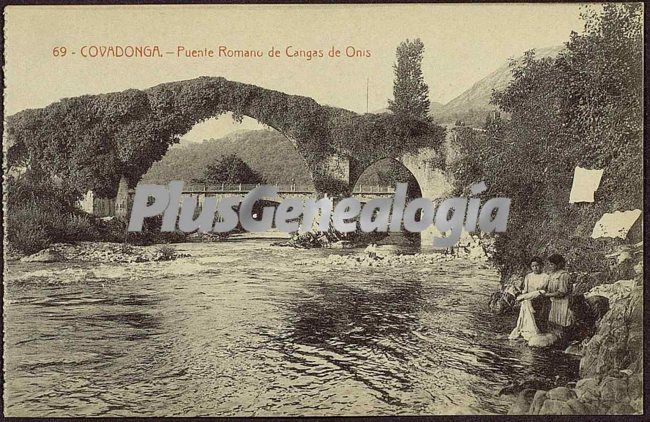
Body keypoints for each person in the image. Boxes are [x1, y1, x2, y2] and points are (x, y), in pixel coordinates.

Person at [508, 257, 549, 341]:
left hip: (539, 297)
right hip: (529, 298)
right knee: (525, 298)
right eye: (533, 266)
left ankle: (520, 298)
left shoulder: (546, 276)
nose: (535, 268)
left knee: (539, 292)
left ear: (541, 266)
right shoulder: (528, 276)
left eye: (537, 266)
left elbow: (543, 289)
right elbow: (526, 289)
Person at [542, 254, 574, 337]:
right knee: (553, 323)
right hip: (554, 302)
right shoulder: (552, 275)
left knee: (562, 322)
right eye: (549, 264)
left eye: (552, 264)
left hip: (563, 302)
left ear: (559, 264)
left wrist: (547, 295)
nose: (550, 266)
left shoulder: (563, 275)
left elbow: (562, 292)